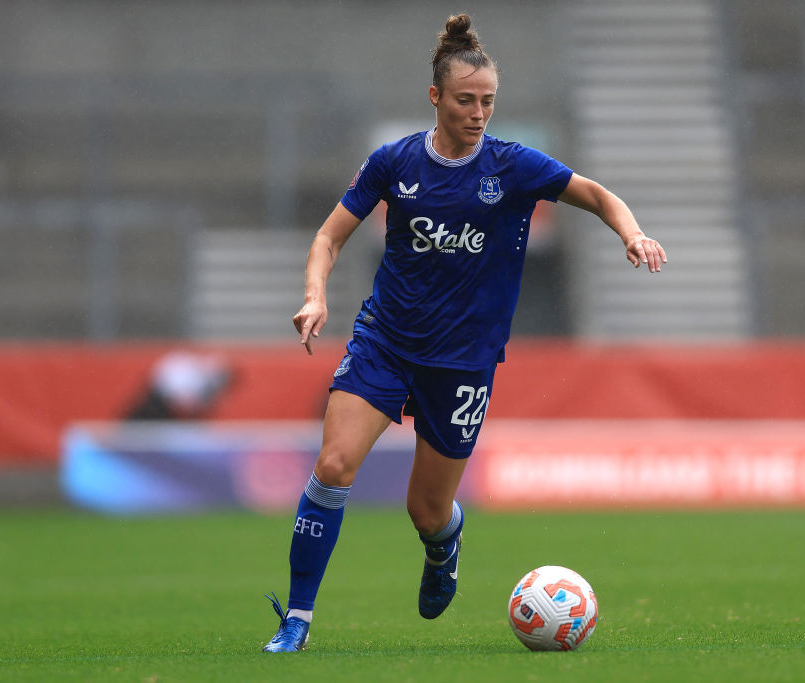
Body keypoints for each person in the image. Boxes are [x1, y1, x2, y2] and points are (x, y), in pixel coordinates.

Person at [262, 13, 666, 653]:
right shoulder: (393, 162)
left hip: (462, 362)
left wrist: (633, 233)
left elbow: (595, 193)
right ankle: (298, 621)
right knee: (334, 465)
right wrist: (314, 296)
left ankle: (443, 544)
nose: (478, 113)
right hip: (385, 342)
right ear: (436, 98)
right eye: (465, 100)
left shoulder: (513, 168)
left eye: (487, 102)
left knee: (426, 509)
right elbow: (328, 237)